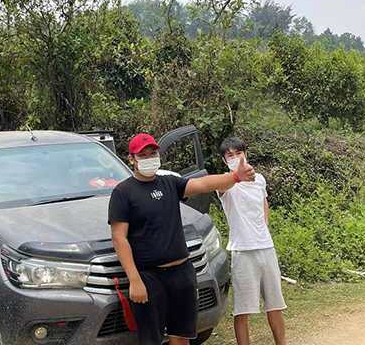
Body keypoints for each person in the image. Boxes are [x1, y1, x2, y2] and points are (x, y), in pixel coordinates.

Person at [109, 133, 255, 345]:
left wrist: (235, 177)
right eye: (143, 155)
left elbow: (204, 183)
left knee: (182, 335)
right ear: (131, 159)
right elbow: (119, 238)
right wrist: (134, 279)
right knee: (151, 339)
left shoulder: (169, 183)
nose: (150, 158)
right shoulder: (123, 192)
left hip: (182, 273)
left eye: (153, 153)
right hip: (149, 278)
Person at [218, 137, 287, 345]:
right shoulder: (225, 181)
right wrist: (235, 176)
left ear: (245, 154)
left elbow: (262, 201)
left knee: (275, 305)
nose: (235, 157)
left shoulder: (259, 180)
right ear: (224, 160)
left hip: (266, 248)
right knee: (242, 311)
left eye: (238, 153)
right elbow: (223, 188)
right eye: (230, 155)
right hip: (242, 251)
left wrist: (264, 224)